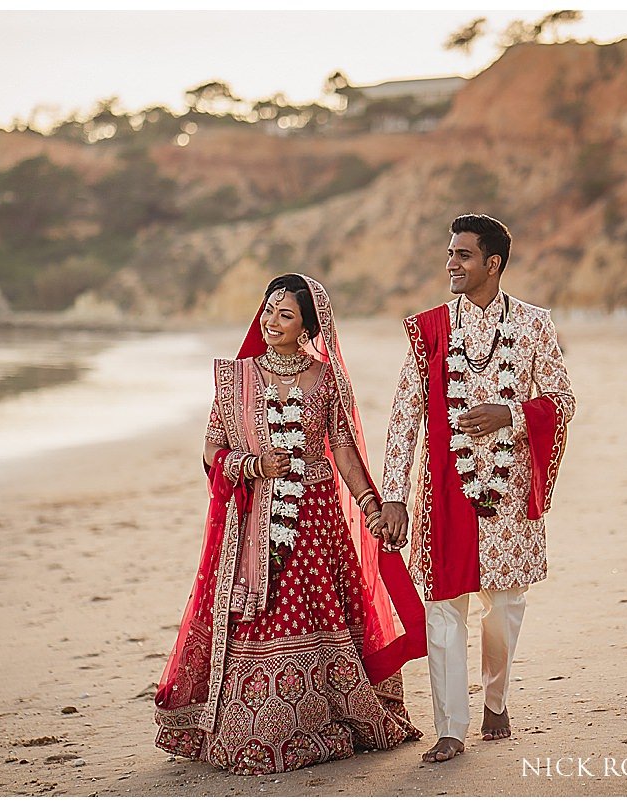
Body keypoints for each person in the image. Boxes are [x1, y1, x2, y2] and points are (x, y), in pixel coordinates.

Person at [155, 273, 426, 776]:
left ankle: (326, 716)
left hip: (316, 518)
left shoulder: (325, 380)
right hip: (255, 524)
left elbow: (342, 447)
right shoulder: (237, 378)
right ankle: (260, 722)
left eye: (285, 315)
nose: (271, 321)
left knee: (319, 613)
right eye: (268, 309)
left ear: (308, 326)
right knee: (261, 614)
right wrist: (252, 466)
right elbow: (211, 450)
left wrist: (370, 503)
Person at [375, 214, 575, 763]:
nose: (451, 264)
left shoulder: (534, 325)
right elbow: (404, 416)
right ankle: (450, 728)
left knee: (505, 606)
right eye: (449, 253)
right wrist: (394, 494)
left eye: (463, 255)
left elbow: (562, 399)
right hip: (443, 489)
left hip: (510, 490)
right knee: (444, 606)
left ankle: (495, 698)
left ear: (494, 263)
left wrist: (509, 413)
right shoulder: (428, 329)